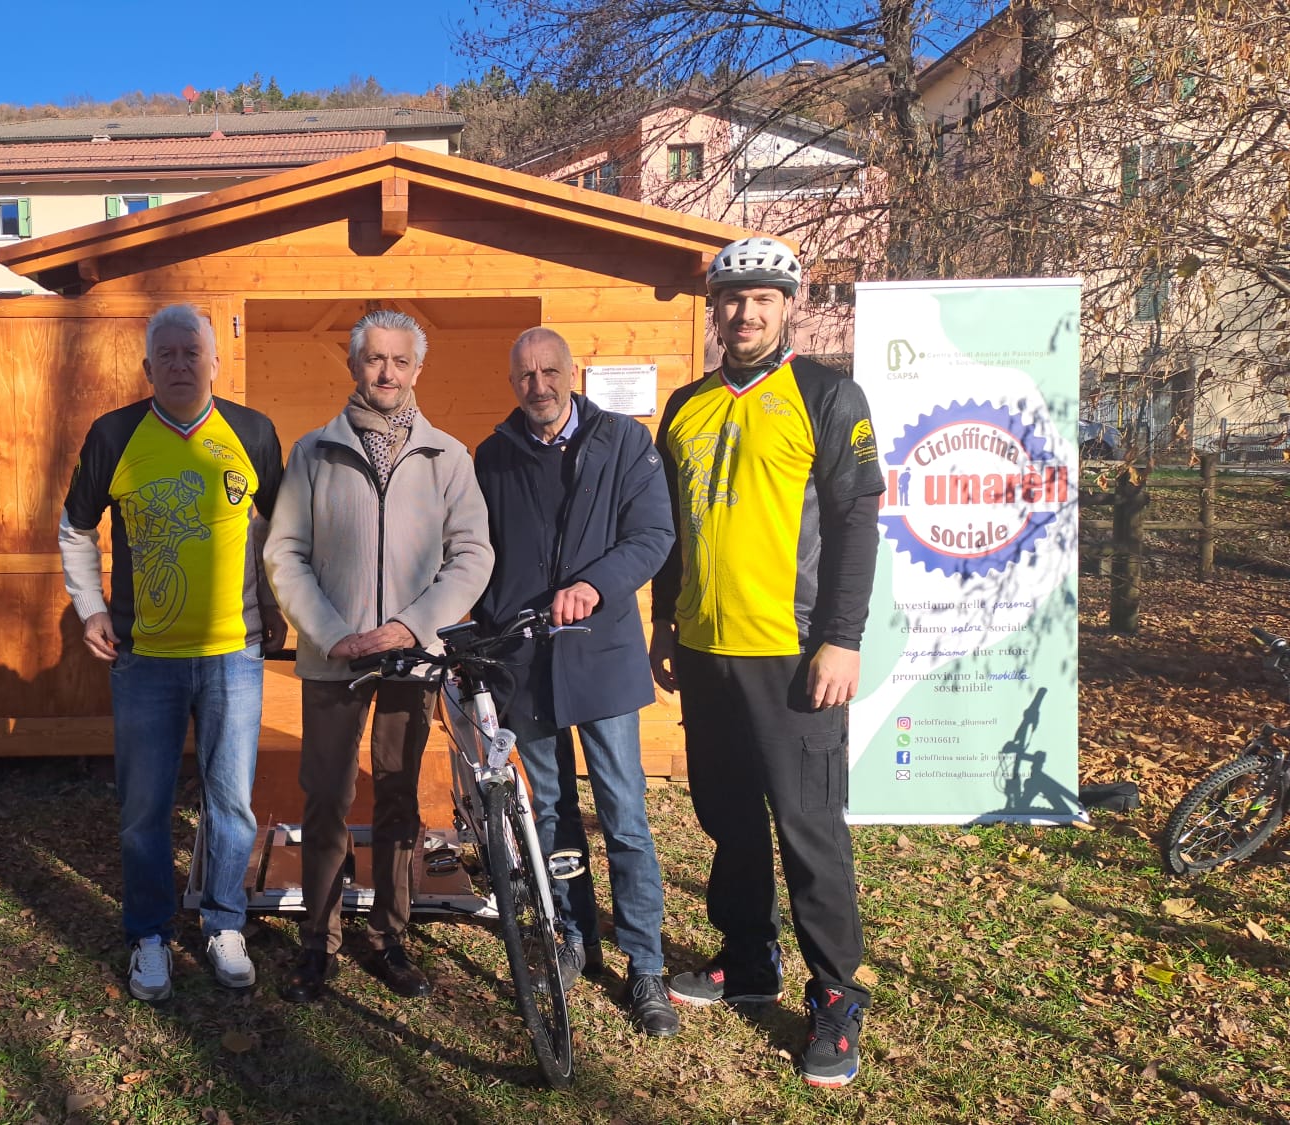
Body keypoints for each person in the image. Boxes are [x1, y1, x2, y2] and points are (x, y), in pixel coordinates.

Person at [649, 236, 886, 1087]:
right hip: (708, 650)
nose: (744, 312)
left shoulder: (826, 395)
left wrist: (844, 637)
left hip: (794, 655)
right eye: (731, 298)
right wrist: (664, 622)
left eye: (762, 298)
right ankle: (748, 958)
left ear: (790, 307)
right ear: (713, 308)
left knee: (809, 827)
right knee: (730, 819)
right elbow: (675, 530)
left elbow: (858, 523)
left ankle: (833, 995)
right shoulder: (685, 406)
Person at [264, 309, 493, 1003]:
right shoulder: (313, 452)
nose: (386, 372)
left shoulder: (449, 457)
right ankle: (319, 940)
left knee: (397, 796)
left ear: (417, 370)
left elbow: (472, 555)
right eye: (374, 359)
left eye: (399, 361)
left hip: (409, 658)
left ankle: (392, 936)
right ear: (354, 365)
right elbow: (284, 552)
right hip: (333, 657)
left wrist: (409, 626)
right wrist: (332, 632)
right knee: (327, 796)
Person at [59, 303, 284, 1002]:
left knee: (230, 803)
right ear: (148, 367)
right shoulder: (115, 434)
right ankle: (150, 934)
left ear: (216, 361)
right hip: (145, 659)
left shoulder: (251, 432)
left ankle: (223, 923)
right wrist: (90, 606)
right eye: (169, 356)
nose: (183, 365)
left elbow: (284, 528)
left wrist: (278, 607)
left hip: (233, 654)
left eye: (195, 353)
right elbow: (73, 528)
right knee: (144, 806)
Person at [471, 327, 679, 1035]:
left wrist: (593, 584)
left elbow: (653, 536)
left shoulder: (624, 442)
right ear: (512, 381)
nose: (539, 384)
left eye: (550, 370)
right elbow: (479, 553)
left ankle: (644, 962)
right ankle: (573, 933)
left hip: (604, 657)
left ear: (571, 372)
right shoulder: (492, 458)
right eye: (525, 374)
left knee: (623, 812)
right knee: (552, 813)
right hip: (525, 666)